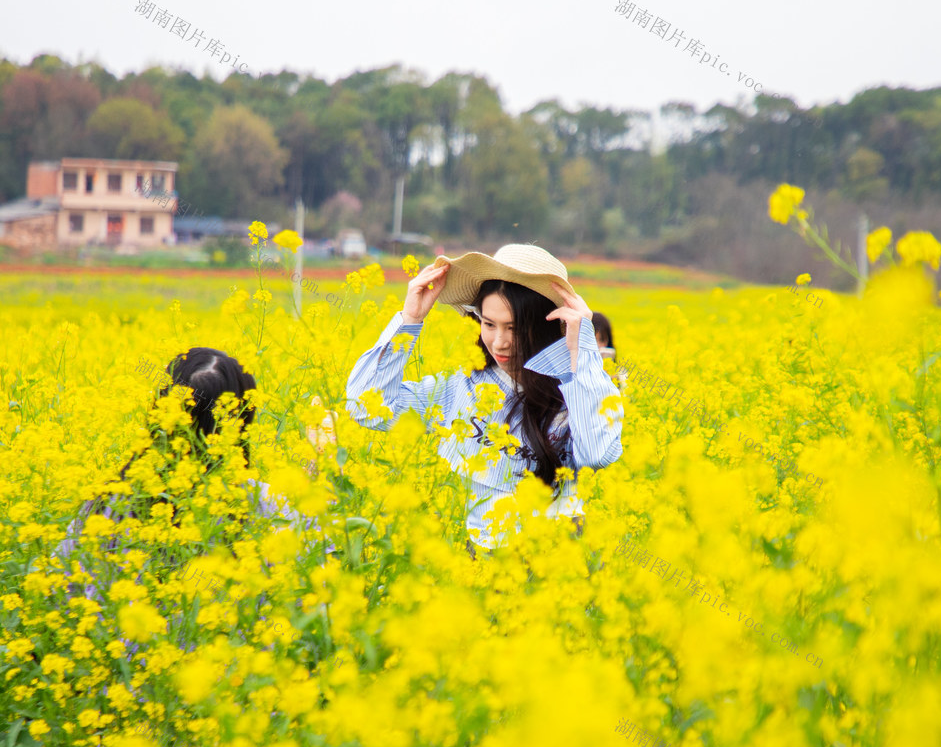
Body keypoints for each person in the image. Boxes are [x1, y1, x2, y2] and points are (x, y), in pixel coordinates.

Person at [345, 244, 623, 557]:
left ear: (545, 326)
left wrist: (581, 355)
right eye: (489, 324)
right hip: (482, 559)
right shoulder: (462, 388)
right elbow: (365, 407)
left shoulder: (579, 388)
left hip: (558, 559)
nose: (499, 342)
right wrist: (409, 320)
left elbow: (598, 454)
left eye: (514, 328)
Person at [55, 347, 323, 603]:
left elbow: (57, 590)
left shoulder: (105, 505)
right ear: (240, 424)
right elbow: (314, 575)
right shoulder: (260, 507)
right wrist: (318, 469)